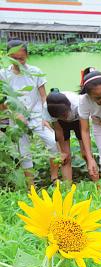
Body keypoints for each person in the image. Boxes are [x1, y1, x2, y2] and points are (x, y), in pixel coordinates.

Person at [0, 40, 62, 185]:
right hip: (16, 118)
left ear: (27, 55)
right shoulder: (3, 74)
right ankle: (31, 186)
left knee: (53, 142)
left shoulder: (35, 72)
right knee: (24, 152)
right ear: (8, 56)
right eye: (14, 58)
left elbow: (43, 97)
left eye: (21, 58)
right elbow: (3, 99)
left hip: (37, 116)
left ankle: (54, 178)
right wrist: (15, 114)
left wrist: (46, 117)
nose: (18, 62)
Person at [45, 90, 99, 182]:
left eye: (65, 114)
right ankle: (68, 188)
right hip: (61, 125)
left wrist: (89, 156)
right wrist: (62, 152)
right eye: (61, 116)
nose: (65, 118)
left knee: (86, 154)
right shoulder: (47, 109)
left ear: (69, 106)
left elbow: (84, 130)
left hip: (79, 120)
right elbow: (58, 130)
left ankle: (98, 184)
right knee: (66, 158)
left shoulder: (78, 103)